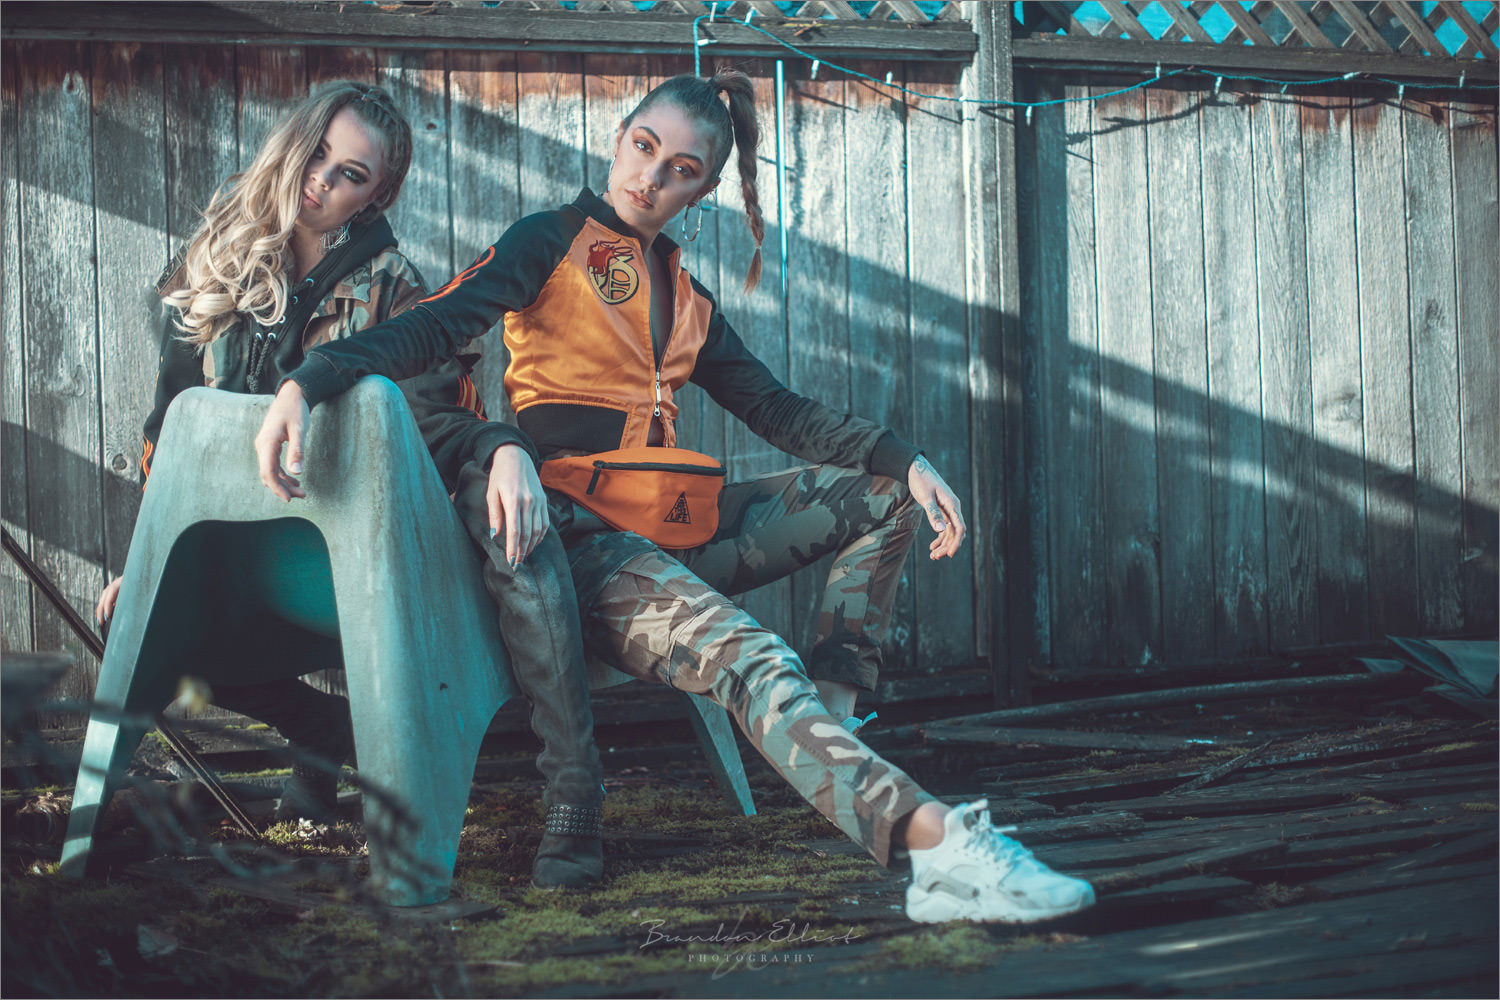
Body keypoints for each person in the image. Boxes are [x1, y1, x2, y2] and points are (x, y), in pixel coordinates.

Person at [253, 70, 1095, 924]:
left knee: (886, 495)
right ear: (620, 138)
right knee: (756, 659)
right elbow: (434, 323)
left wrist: (905, 459)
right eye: (644, 148)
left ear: (704, 189)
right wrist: (311, 380)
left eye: (681, 170)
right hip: (585, 547)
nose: (652, 177)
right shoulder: (550, 241)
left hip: (680, 530)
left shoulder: (690, 299)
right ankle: (936, 848)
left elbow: (775, 409)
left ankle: (835, 724)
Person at [94, 81, 607, 889]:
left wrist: (505, 445)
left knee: (494, 532)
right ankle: (320, 728)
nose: (321, 181)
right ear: (293, 143)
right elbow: (169, 431)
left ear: (377, 195)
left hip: (346, 565)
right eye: (319, 155)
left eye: (352, 175)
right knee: (133, 615)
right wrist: (146, 560)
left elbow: (438, 423)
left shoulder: (393, 285)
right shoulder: (212, 261)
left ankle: (539, 800)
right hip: (232, 555)